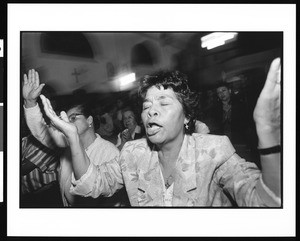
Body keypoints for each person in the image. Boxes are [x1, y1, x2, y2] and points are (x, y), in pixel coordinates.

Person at [40, 58, 281, 207]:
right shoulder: (133, 153)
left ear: (186, 115)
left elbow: (264, 202)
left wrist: (268, 133)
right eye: (146, 106)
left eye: (163, 103)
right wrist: (73, 137)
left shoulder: (214, 151)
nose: (151, 112)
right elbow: (93, 185)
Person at [22, 69, 129, 207]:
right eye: (66, 118)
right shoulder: (67, 145)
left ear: (89, 120)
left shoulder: (109, 151)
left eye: (73, 118)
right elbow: (41, 132)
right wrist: (30, 102)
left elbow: (113, 200)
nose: (68, 122)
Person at [214, 82, 260, 166]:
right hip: (225, 143)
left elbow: (247, 123)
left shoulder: (240, 105)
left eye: (223, 90)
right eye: (219, 92)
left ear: (229, 91)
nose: (221, 94)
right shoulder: (215, 109)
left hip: (240, 142)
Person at [21, 134, 63, 207]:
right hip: (30, 194)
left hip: (44, 195)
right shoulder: (28, 138)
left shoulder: (48, 143)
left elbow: (23, 168)